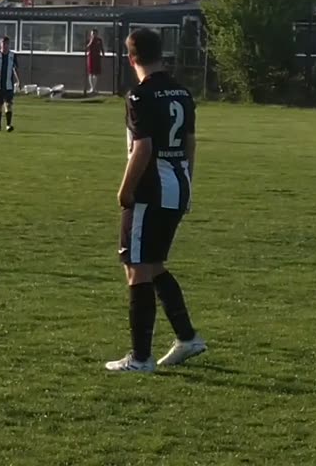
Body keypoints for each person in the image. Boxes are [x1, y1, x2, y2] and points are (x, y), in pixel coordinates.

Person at [106, 28, 204, 373]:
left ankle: (141, 358)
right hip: (178, 186)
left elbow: (142, 148)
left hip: (151, 191)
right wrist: (188, 182)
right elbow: (190, 142)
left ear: (131, 58)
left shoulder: (140, 96)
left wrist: (124, 189)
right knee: (154, 265)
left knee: (136, 269)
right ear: (161, 53)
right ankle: (188, 337)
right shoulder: (182, 92)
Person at [0, 36, 20, 132]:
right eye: (3, 43)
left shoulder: (13, 56)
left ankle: (8, 125)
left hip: (9, 84)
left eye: (7, 43)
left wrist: (19, 81)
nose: (5, 45)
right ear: (0, 44)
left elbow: (15, 69)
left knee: (9, 104)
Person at [85, 29, 106, 95]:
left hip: (97, 57)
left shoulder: (99, 40)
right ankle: (92, 88)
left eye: (95, 33)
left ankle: (94, 88)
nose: (94, 35)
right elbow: (86, 47)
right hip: (90, 57)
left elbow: (102, 48)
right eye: (92, 33)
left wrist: (103, 54)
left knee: (96, 73)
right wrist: (91, 41)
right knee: (90, 72)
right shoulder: (89, 40)